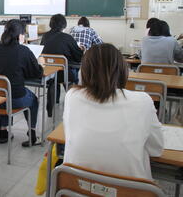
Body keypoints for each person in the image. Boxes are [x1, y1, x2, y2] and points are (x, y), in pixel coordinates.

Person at [64, 43, 164, 179]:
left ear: (84, 71)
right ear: (122, 70)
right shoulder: (143, 101)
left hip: (76, 188)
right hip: (130, 190)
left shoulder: (72, 96)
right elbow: (156, 150)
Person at [0, 19, 44, 146]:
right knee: (33, 100)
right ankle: (32, 134)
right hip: (15, 98)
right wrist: (40, 64)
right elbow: (36, 74)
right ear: (20, 35)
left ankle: (3, 132)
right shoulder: (23, 50)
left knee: (4, 92)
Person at [40, 14, 83, 117]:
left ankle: (50, 109)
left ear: (51, 24)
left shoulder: (45, 36)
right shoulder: (67, 37)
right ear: (64, 25)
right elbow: (78, 57)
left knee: (57, 76)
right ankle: (73, 103)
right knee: (71, 73)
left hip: (48, 73)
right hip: (64, 74)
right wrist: (82, 50)